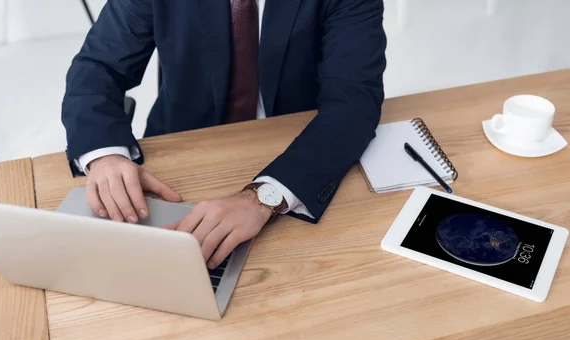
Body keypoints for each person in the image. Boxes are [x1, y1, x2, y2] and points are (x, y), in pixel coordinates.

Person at [62, 0, 387, 268]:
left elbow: (353, 104)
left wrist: (262, 198)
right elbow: (97, 68)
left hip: (298, 161)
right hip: (177, 169)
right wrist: (105, 154)